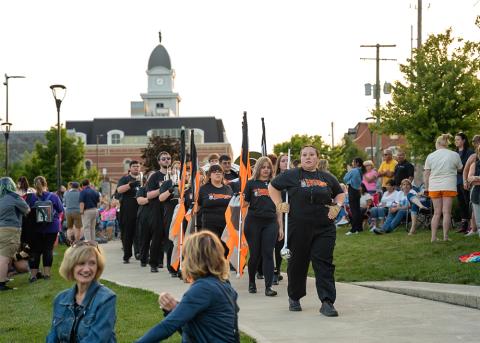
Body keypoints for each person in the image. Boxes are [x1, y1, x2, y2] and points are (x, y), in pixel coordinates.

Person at [269, 145, 345, 316]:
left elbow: (340, 193)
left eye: (311, 155)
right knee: (297, 263)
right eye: (304, 155)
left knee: (324, 263)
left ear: (317, 157)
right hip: (298, 227)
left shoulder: (326, 177)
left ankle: (327, 302)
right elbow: (273, 187)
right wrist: (279, 204)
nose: (308, 157)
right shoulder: (291, 175)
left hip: (324, 228)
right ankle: (294, 297)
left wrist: (337, 206)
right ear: (300, 158)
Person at [135, 231, 239, 343]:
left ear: (194, 259)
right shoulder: (224, 286)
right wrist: (173, 309)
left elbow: (167, 326)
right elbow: (196, 330)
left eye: (185, 256)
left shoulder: (203, 289)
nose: (183, 261)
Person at [46, 240, 117, 342]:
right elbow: (53, 336)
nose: (86, 269)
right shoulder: (60, 299)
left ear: (98, 267)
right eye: (81, 263)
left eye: (92, 263)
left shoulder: (106, 299)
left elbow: (97, 339)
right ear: (71, 266)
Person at [243, 156, 283, 297]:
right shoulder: (251, 184)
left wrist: (281, 227)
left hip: (271, 222)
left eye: (268, 167)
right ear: (258, 168)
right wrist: (239, 199)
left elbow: (279, 208)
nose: (266, 170)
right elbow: (244, 204)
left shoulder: (276, 184)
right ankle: (251, 282)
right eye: (263, 167)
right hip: (253, 222)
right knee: (255, 254)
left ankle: (268, 286)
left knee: (268, 253)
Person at [424, 134, 463, 242]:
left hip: (434, 186)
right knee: (446, 212)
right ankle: (445, 237)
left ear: (437, 143)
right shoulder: (454, 154)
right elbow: (460, 168)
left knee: (436, 213)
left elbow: (427, 174)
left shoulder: (430, 156)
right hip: (449, 185)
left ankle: (433, 237)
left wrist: (426, 188)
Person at [26, 176, 64, 282]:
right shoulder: (54, 196)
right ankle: (46, 274)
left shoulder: (31, 197)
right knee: (48, 250)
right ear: (45, 184)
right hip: (51, 227)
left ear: (34, 185)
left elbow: (27, 211)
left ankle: (33, 276)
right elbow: (61, 209)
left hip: (36, 228)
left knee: (35, 251)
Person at [0, 177, 30, 291]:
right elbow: (27, 210)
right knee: (4, 257)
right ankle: (1, 283)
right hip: (9, 230)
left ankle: (3, 278)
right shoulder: (14, 196)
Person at [145, 151, 171, 272]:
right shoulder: (154, 176)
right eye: (164, 159)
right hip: (157, 209)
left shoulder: (175, 175)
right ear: (159, 161)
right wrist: (162, 189)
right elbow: (149, 195)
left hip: (171, 209)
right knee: (157, 237)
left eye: (168, 158)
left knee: (171, 237)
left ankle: (173, 266)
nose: (166, 160)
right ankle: (154, 264)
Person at [197, 164, 233, 239]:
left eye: (220, 171)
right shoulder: (203, 189)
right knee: (211, 249)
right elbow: (197, 206)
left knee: (225, 249)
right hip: (209, 226)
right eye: (214, 171)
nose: (218, 173)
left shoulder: (228, 189)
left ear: (223, 175)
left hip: (226, 225)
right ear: (209, 175)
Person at [116, 160, 142, 263]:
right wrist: (130, 185)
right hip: (127, 210)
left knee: (139, 233)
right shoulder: (125, 179)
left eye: (138, 166)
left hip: (140, 209)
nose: (136, 168)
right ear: (130, 168)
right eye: (134, 166)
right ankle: (127, 256)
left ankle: (138, 253)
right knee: (127, 234)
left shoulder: (143, 179)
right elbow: (119, 190)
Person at [272, 153, 288, 284]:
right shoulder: (276, 180)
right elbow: (278, 202)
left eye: (288, 160)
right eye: (283, 161)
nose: (285, 163)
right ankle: (275, 272)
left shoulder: (296, 178)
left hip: (295, 216)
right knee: (279, 244)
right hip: (280, 215)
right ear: (279, 164)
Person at [454, 132, 474, 233]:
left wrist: (456, 169)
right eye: (455, 140)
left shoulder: (470, 152)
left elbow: (465, 167)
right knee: (461, 204)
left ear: (463, 140)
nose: (456, 142)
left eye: (458, 139)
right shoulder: (455, 152)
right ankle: (464, 225)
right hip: (457, 181)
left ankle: (471, 226)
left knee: (468, 203)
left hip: (466, 181)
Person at [344, 157, 366, 235]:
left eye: (353, 162)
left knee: (354, 210)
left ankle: (353, 229)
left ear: (357, 163)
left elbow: (345, 179)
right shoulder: (360, 171)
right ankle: (359, 228)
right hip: (357, 191)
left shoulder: (353, 170)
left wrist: (348, 172)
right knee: (357, 210)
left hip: (352, 190)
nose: (352, 163)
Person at [463, 135, 480, 235]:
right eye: (474, 142)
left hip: (476, 184)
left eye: (476, 141)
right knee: (474, 207)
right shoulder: (473, 157)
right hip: (475, 187)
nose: (475, 144)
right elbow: (466, 171)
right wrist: (466, 181)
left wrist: (476, 178)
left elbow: (474, 178)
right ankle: (474, 229)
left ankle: (474, 228)